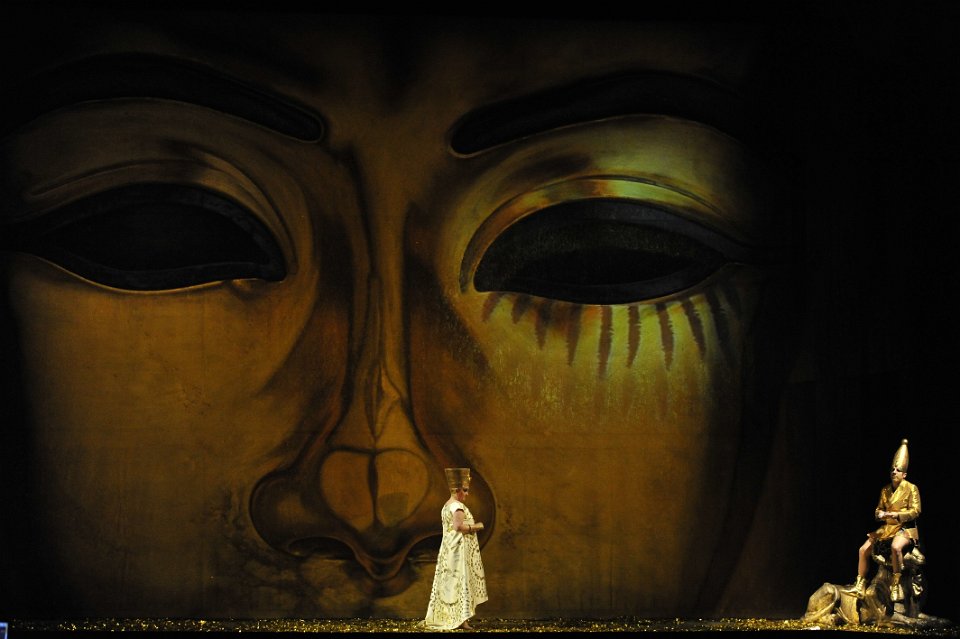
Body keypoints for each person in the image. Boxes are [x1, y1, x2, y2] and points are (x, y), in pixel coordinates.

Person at [845, 439, 921, 602]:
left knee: (895, 547)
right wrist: (880, 514)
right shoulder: (885, 490)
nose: (894, 471)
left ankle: (896, 584)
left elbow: (916, 511)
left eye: (898, 470)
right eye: (892, 469)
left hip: (905, 528)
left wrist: (896, 515)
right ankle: (860, 584)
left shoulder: (911, 488)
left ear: (904, 474)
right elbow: (878, 509)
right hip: (888, 527)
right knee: (863, 550)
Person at [424, 468, 488, 630]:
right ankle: (460, 619)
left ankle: (454, 617)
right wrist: (476, 526)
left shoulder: (447, 505)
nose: (466, 494)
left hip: (450, 549)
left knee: (451, 583)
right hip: (458, 551)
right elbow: (458, 527)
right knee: (460, 581)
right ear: (457, 490)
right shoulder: (457, 506)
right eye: (465, 490)